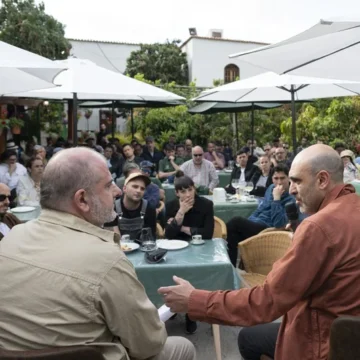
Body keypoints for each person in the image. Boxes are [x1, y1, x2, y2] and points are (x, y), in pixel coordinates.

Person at [158, 144, 360, 360]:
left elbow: (266, 301)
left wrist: (194, 300)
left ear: (322, 180)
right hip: (346, 333)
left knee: (248, 339)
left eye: (297, 181)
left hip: (321, 342)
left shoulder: (318, 227)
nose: (290, 189)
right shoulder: (352, 206)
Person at [0, 147, 195, 360]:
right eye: (109, 185)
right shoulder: (107, 260)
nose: (118, 191)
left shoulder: (11, 238)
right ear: (82, 200)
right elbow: (149, 344)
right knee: (182, 347)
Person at [227, 164, 294, 266]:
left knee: (235, 222)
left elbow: (278, 223)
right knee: (232, 234)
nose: (279, 182)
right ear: (272, 179)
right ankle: (232, 266)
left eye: (282, 178)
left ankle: (235, 265)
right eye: (276, 178)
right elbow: (261, 208)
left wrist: (277, 199)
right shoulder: (271, 187)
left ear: (288, 178)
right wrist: (250, 220)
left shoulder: (291, 198)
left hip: (267, 230)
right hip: (256, 224)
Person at [165, 171, 214, 241]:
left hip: (199, 245)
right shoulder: (170, 205)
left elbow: (208, 234)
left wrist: (181, 228)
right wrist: (181, 212)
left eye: (190, 190)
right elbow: (168, 235)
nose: (188, 195)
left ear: (194, 189)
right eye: (183, 191)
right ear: (177, 193)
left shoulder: (206, 204)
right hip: (178, 244)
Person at [108, 171, 157, 239]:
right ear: (124, 189)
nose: (139, 191)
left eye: (142, 188)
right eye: (135, 186)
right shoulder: (113, 207)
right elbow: (111, 238)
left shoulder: (149, 208)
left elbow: (150, 238)